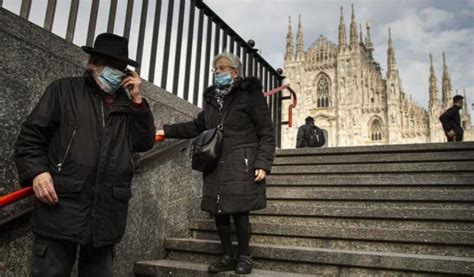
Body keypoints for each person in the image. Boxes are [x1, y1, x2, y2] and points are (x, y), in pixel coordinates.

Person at [14, 33, 156, 277]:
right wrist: (37, 172)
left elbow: (144, 142)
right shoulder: (63, 90)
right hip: (61, 207)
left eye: (122, 68)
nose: (117, 72)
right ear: (93, 63)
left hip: (106, 214)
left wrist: (137, 101)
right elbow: (30, 138)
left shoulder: (129, 104)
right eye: (110, 65)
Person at [156, 52, 275, 274]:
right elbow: (196, 126)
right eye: (215, 69)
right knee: (218, 209)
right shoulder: (212, 102)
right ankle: (227, 256)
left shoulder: (250, 95)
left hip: (242, 160)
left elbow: (266, 131)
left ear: (235, 72)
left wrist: (263, 162)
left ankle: (245, 256)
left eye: (222, 68)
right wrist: (166, 130)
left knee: (240, 210)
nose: (217, 72)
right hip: (215, 161)